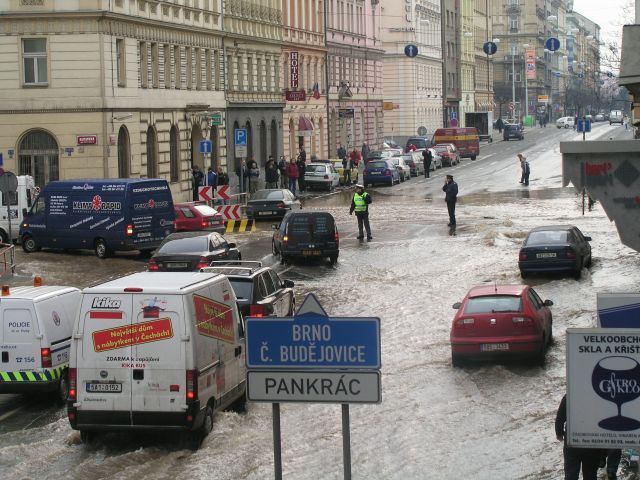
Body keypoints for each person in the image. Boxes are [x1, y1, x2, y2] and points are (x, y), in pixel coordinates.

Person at [556, 394, 602, 480]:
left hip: (573, 442)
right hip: (592, 443)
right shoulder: (597, 397)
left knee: (571, 475)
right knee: (590, 475)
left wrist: (559, 433)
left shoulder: (569, 396)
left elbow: (560, 417)